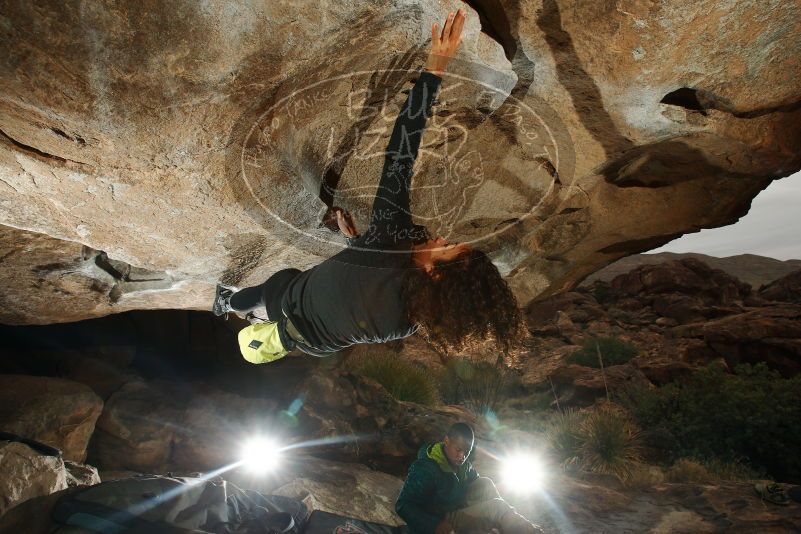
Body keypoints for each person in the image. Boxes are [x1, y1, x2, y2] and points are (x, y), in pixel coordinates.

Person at [214, 9, 523, 361]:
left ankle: (227, 301)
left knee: (276, 284)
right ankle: (244, 312)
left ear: (435, 274)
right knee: (278, 304)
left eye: (446, 247)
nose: (439, 238)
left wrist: (436, 67)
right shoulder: (411, 320)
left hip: (292, 298)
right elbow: (360, 285)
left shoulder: (391, 242)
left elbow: (399, 157)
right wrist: (355, 242)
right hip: (316, 345)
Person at [396, 423, 542, 534]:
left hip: (456, 505)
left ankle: (501, 526)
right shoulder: (425, 468)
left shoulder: (461, 463)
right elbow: (403, 505)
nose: (462, 456)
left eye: (466, 452)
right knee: (496, 507)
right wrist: (434, 525)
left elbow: (475, 482)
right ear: (446, 441)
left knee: (485, 483)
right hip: (441, 518)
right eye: (458, 450)